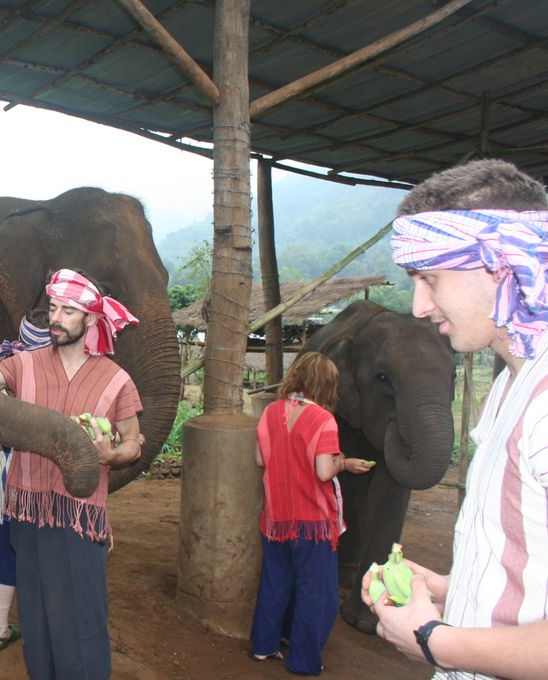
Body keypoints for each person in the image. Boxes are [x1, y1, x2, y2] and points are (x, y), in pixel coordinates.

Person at [361, 158, 548, 680]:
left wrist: (434, 640)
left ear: (505, 265)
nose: (419, 305)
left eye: (430, 278)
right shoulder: (513, 383)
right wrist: (455, 586)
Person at [0, 268, 143, 680]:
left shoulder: (116, 380)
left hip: (78, 514)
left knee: (80, 610)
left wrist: (112, 455)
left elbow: (132, 443)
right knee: (35, 611)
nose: (56, 317)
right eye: (53, 308)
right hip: (28, 509)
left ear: (90, 319)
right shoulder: (24, 365)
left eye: (68, 311)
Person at [250, 351, 373, 675]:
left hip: (275, 519)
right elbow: (322, 472)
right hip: (312, 523)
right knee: (316, 592)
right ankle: (304, 660)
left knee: (276, 583)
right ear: (327, 386)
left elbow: (261, 460)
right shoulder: (323, 420)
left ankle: (264, 647)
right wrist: (343, 463)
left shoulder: (270, 413)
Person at [0, 308, 50, 652]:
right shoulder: (52, 380)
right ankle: (36, 630)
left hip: (4, 484)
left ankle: (0, 629)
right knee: (41, 555)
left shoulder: (3, 376)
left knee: (5, 552)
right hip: (42, 484)